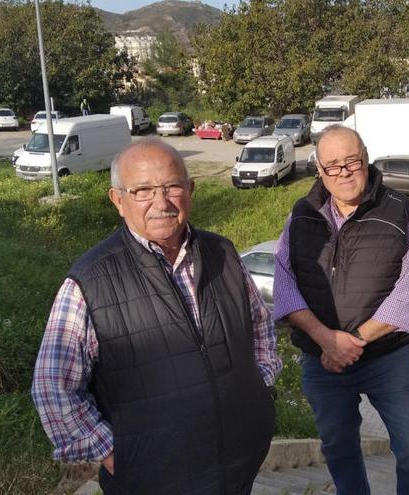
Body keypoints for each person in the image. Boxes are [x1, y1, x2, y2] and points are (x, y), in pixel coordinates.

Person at [32, 139, 280, 495]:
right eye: (142, 190)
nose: (161, 203)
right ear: (118, 200)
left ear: (190, 190)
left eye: (172, 187)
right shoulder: (91, 280)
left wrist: (256, 393)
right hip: (151, 481)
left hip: (237, 468)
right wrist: (116, 453)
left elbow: (261, 332)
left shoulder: (222, 252)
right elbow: (53, 388)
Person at [273, 126, 409, 495]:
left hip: (388, 359)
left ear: (365, 159)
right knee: (338, 447)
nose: (344, 171)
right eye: (332, 165)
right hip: (321, 361)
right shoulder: (301, 215)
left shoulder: (401, 211)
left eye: (352, 161)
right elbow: (284, 286)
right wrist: (325, 340)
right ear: (319, 169)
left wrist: (352, 342)